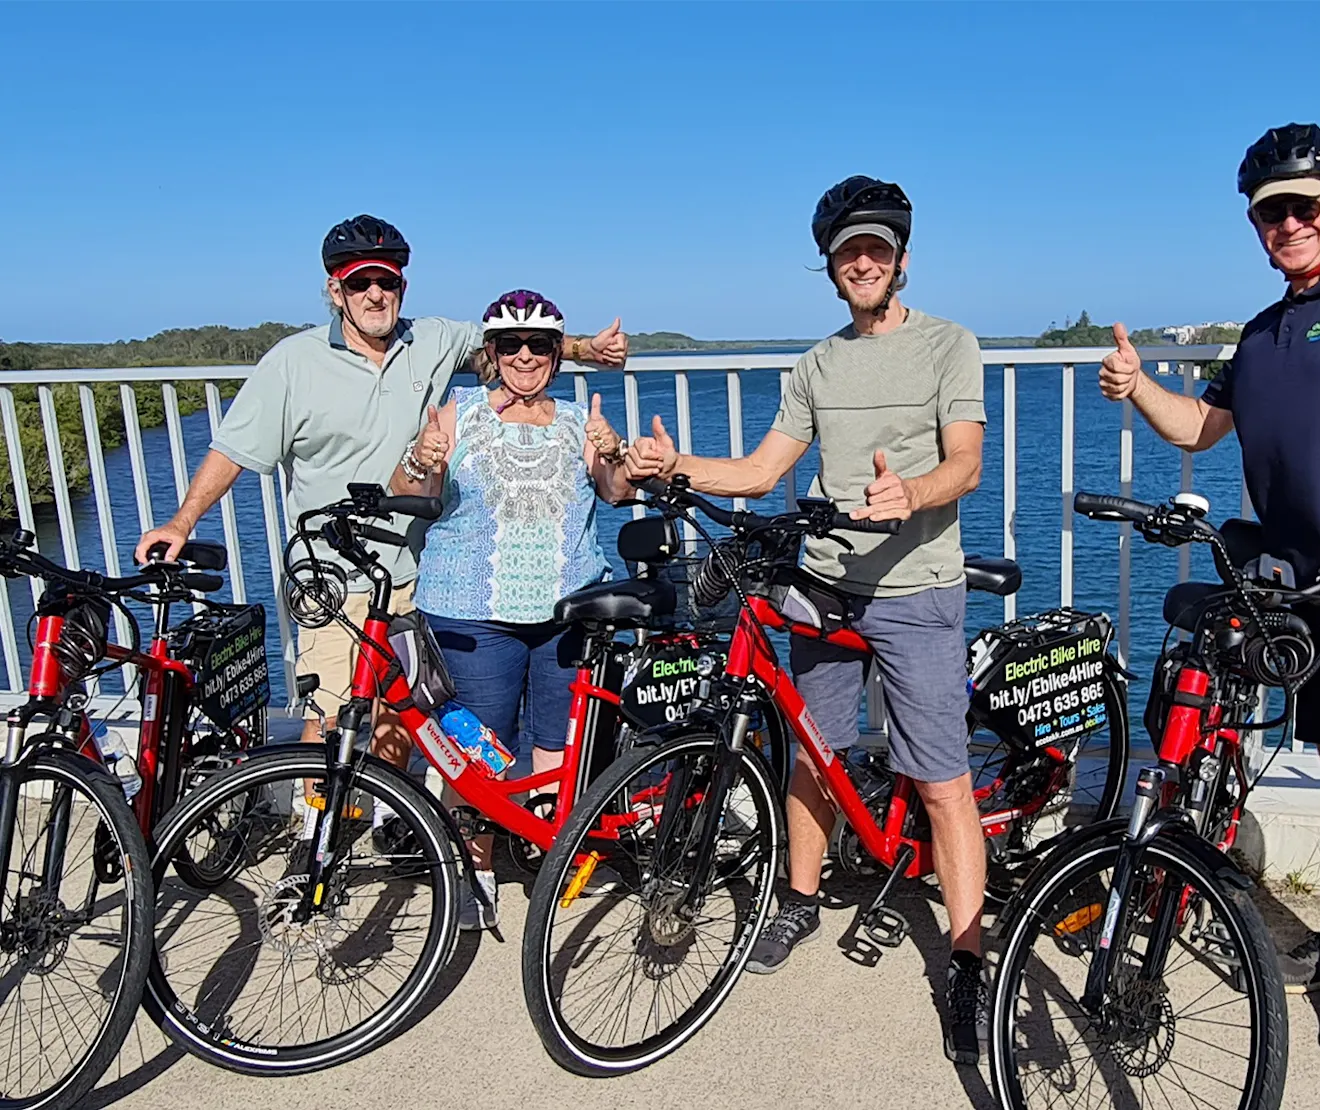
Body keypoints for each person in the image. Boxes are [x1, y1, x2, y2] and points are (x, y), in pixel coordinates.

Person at [1099, 123, 1320, 1062]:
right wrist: (1140, 386)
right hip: (1300, 592)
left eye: (1303, 205)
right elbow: (1201, 428)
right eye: (1271, 212)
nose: (1288, 223)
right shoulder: (1263, 333)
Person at [624, 176, 992, 1064]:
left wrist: (913, 494)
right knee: (811, 752)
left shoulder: (950, 344)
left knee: (941, 779)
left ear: (901, 260)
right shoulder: (816, 364)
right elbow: (760, 471)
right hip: (823, 585)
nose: (862, 263)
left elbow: (968, 464)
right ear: (830, 268)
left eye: (877, 249)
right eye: (846, 253)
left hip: (916, 587)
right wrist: (679, 468)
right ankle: (796, 898)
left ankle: (974, 957)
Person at [134, 216, 628, 758]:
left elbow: (515, 345)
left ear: (402, 287)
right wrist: (182, 521)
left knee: (399, 712)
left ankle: (389, 821)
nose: (375, 294)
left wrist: (586, 350)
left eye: (386, 282)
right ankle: (317, 832)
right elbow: (233, 450)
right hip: (332, 571)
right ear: (335, 290)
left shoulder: (431, 339)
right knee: (330, 710)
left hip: (414, 572)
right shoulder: (293, 363)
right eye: (359, 283)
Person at [392, 289, 632, 928]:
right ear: (491, 354)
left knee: (559, 744)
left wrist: (612, 457)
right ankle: (475, 869)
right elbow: (409, 491)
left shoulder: (581, 418)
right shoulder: (457, 413)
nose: (524, 357)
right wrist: (422, 460)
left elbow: (614, 494)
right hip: (471, 611)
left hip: (566, 609)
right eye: (510, 346)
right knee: (476, 756)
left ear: (557, 356)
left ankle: (547, 854)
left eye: (539, 346)